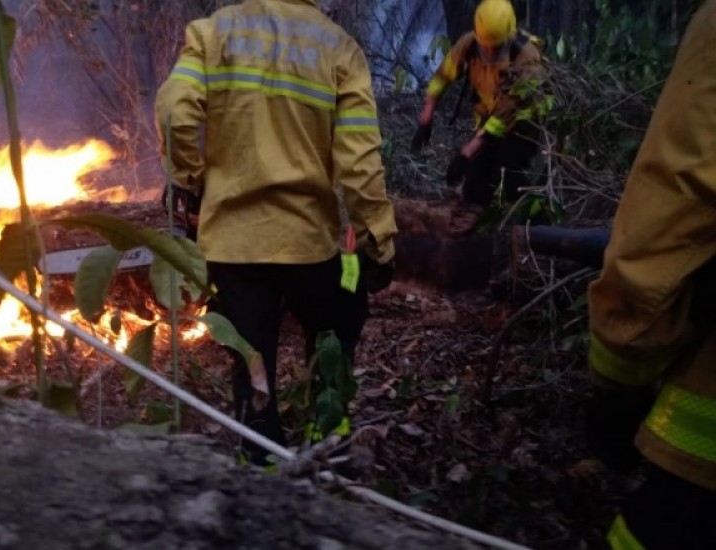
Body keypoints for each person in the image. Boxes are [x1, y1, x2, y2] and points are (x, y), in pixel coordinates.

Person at [155, 0, 397, 465]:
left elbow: (174, 112)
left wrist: (190, 180)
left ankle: (260, 455)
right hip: (313, 243)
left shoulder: (212, 33)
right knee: (342, 317)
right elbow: (361, 165)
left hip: (232, 244)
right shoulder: (340, 49)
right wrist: (377, 243)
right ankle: (330, 436)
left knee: (251, 354)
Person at [585, 1, 716, 547]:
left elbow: (670, 213)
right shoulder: (471, 48)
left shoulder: (526, 58)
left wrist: (617, 380)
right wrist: (429, 112)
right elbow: (450, 78)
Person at [411, 0, 552, 207]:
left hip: (525, 124)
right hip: (489, 124)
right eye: (483, 45)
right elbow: (442, 76)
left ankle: (535, 225)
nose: (488, 52)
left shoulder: (525, 59)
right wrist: (426, 116)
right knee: (475, 184)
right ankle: (477, 226)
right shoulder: (469, 44)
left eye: (494, 48)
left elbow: (506, 113)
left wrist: (467, 152)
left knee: (508, 170)